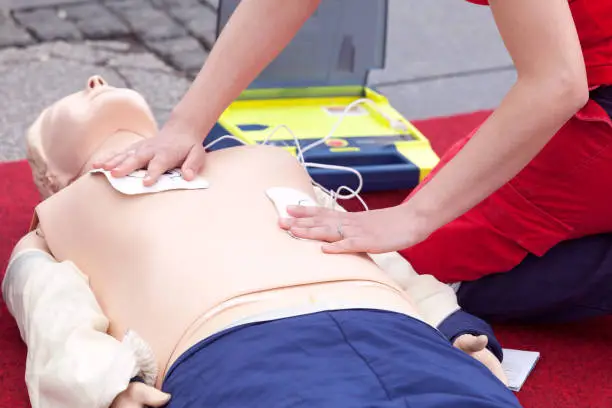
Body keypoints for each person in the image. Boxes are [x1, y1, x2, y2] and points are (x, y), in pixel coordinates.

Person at [2, 76, 519, 408]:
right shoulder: (55, 223)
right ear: (49, 174)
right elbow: (53, 316)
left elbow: (366, 244)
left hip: (390, 323)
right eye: (74, 94)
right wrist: (104, 388)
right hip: (238, 349)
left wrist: (446, 324)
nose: (96, 79)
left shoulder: (259, 159)